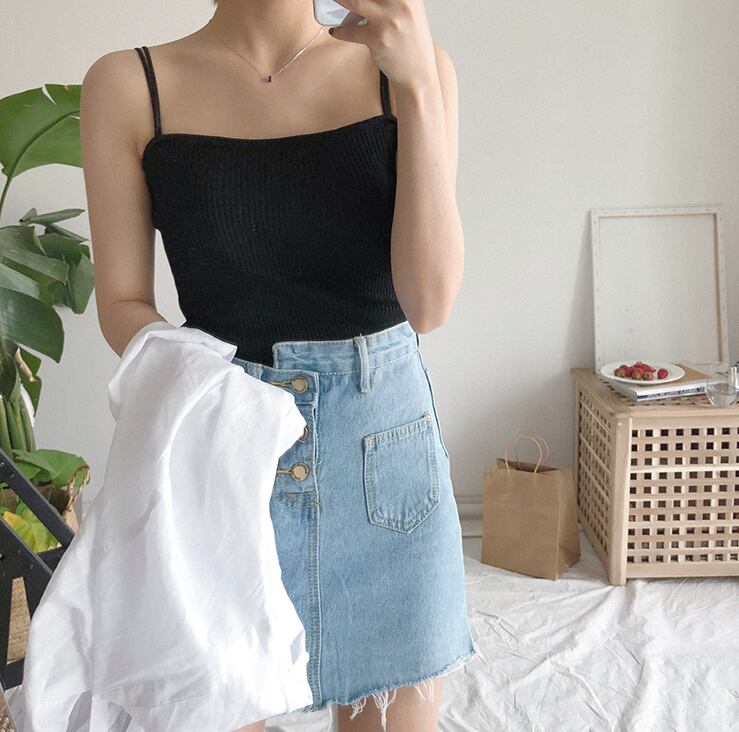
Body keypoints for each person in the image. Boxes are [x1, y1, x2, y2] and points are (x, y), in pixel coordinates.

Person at [80, 1, 476, 729]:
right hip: (222, 452)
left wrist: (418, 84)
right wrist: (217, 395)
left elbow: (429, 303)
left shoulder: (410, 72)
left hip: (383, 462)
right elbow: (123, 303)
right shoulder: (131, 84)